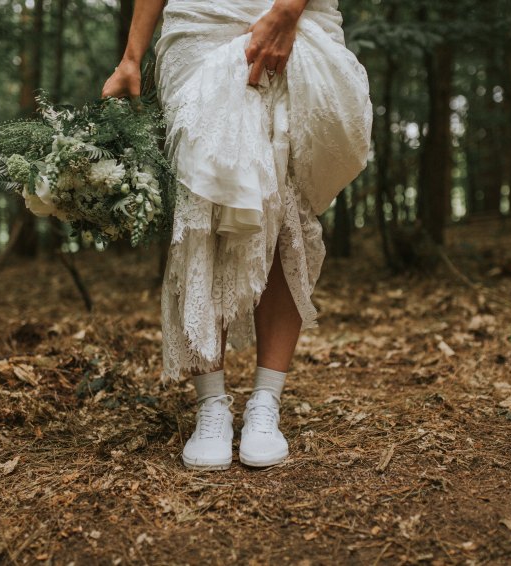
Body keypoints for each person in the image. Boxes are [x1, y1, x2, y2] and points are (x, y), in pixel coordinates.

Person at [102, 0, 372, 470]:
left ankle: (266, 400)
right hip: (199, 26)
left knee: (284, 208)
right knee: (204, 209)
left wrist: (287, 12)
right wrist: (131, 55)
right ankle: (211, 404)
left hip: (292, 17)